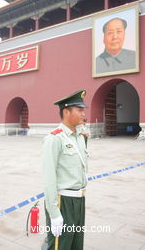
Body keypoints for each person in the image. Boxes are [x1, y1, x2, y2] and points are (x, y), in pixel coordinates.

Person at [42, 90, 89, 250]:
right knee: (60, 246)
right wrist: (54, 213)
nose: (84, 113)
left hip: (79, 200)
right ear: (66, 112)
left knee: (76, 245)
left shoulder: (79, 137)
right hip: (63, 202)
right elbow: (49, 179)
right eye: (80, 110)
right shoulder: (55, 138)